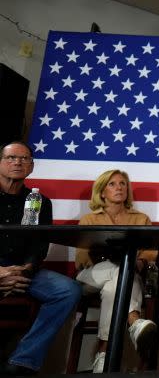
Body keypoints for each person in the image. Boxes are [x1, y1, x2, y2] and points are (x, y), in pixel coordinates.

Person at [0, 141, 82, 376]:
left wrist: (23, 271)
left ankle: (23, 362)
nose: (18, 162)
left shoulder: (39, 202)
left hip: (24, 272)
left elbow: (39, 244)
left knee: (68, 290)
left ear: (32, 166)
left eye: (24, 158)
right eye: (11, 157)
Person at [75, 169, 158, 373]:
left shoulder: (141, 218)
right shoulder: (89, 219)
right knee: (122, 270)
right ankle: (134, 322)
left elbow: (150, 252)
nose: (119, 188)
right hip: (90, 276)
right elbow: (82, 259)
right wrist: (111, 260)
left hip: (126, 276)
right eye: (112, 184)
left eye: (122, 184)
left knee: (117, 285)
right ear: (102, 192)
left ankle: (103, 355)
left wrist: (137, 262)